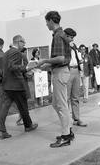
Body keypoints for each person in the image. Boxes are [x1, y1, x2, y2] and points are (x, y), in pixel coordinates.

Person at [37, 11, 74, 148]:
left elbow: (60, 58)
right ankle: (68, 131)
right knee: (56, 104)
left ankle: (65, 136)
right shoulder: (61, 34)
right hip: (60, 71)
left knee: (61, 105)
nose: (46, 24)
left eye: (47, 21)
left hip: (60, 73)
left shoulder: (58, 35)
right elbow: (60, 59)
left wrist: (44, 60)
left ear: (52, 21)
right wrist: (44, 65)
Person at [0, 35, 38, 139]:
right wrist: (26, 67)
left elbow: (5, 68)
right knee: (23, 106)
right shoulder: (16, 52)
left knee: (5, 107)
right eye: (23, 42)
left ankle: (1, 130)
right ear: (18, 42)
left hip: (7, 84)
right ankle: (28, 126)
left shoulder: (6, 52)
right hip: (16, 84)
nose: (24, 44)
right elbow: (12, 67)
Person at [65, 29, 87, 127]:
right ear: (66, 36)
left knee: (75, 96)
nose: (72, 39)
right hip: (67, 71)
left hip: (76, 70)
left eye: (73, 37)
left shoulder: (74, 46)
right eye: (71, 37)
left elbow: (78, 58)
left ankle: (76, 118)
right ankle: (66, 120)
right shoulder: (63, 45)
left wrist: (81, 69)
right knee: (66, 97)